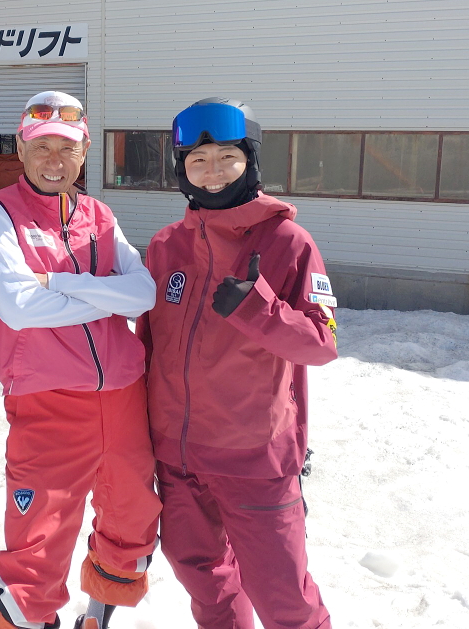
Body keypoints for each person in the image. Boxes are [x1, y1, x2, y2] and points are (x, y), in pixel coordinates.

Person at [137, 98, 338, 629]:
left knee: (282, 597)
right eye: (197, 160)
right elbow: (148, 350)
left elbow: (321, 343)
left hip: (254, 458)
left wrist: (258, 309)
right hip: (177, 460)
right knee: (200, 574)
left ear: (250, 162)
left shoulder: (287, 242)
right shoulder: (165, 246)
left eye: (227, 156)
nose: (212, 171)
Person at [0, 91, 162, 629]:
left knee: (130, 521)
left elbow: (144, 293)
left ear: (84, 154)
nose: (55, 160)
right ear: (23, 150)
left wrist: (59, 281)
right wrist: (104, 292)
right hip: (47, 400)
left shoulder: (99, 214)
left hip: (124, 393)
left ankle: (99, 617)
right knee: (37, 544)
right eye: (43, 147)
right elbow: (18, 306)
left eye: (68, 149)